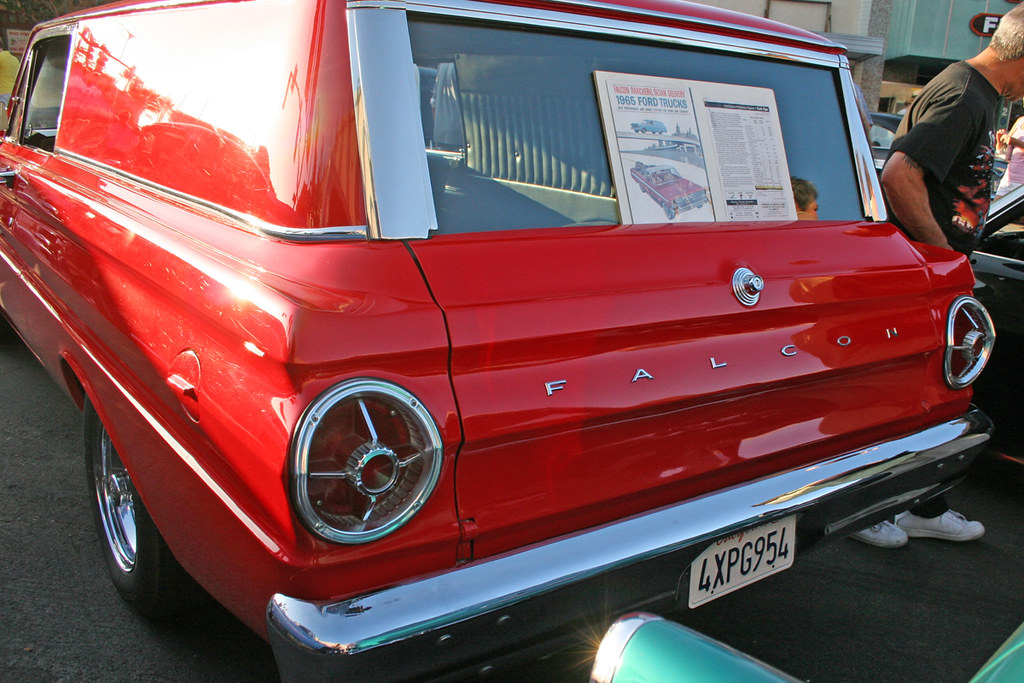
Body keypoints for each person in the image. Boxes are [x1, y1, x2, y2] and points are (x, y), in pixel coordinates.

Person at [852, 4, 1024, 548]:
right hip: (922, 270)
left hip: (934, 268)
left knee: (927, 397)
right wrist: (944, 254)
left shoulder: (981, 95)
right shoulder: (962, 93)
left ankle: (922, 504)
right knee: (898, 393)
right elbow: (900, 174)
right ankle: (865, 508)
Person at [995, 115, 1024, 197]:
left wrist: (1015, 142)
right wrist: (1000, 143)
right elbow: (1007, 155)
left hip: (1021, 183)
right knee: (996, 208)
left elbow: (1012, 141)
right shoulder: (1020, 120)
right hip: (1008, 179)